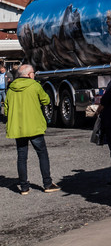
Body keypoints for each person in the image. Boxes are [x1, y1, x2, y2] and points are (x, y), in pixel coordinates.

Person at [5, 64, 60, 195]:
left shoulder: (11, 89)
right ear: (29, 74)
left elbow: (6, 109)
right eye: (33, 73)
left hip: (19, 128)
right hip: (34, 126)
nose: (34, 75)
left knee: (21, 157)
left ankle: (24, 187)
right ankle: (47, 184)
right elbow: (46, 100)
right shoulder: (35, 86)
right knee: (42, 155)